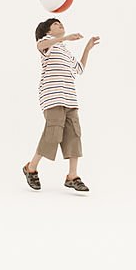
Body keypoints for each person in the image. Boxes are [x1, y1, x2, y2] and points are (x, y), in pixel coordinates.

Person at [22, 18, 100, 192]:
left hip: (70, 98)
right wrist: (63, 38)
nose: (61, 25)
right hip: (52, 96)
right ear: (47, 30)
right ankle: (31, 167)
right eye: (56, 24)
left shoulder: (64, 50)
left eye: (61, 23)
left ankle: (72, 176)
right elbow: (39, 47)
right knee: (53, 132)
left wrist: (87, 48)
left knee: (74, 134)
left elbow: (79, 69)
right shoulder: (46, 42)